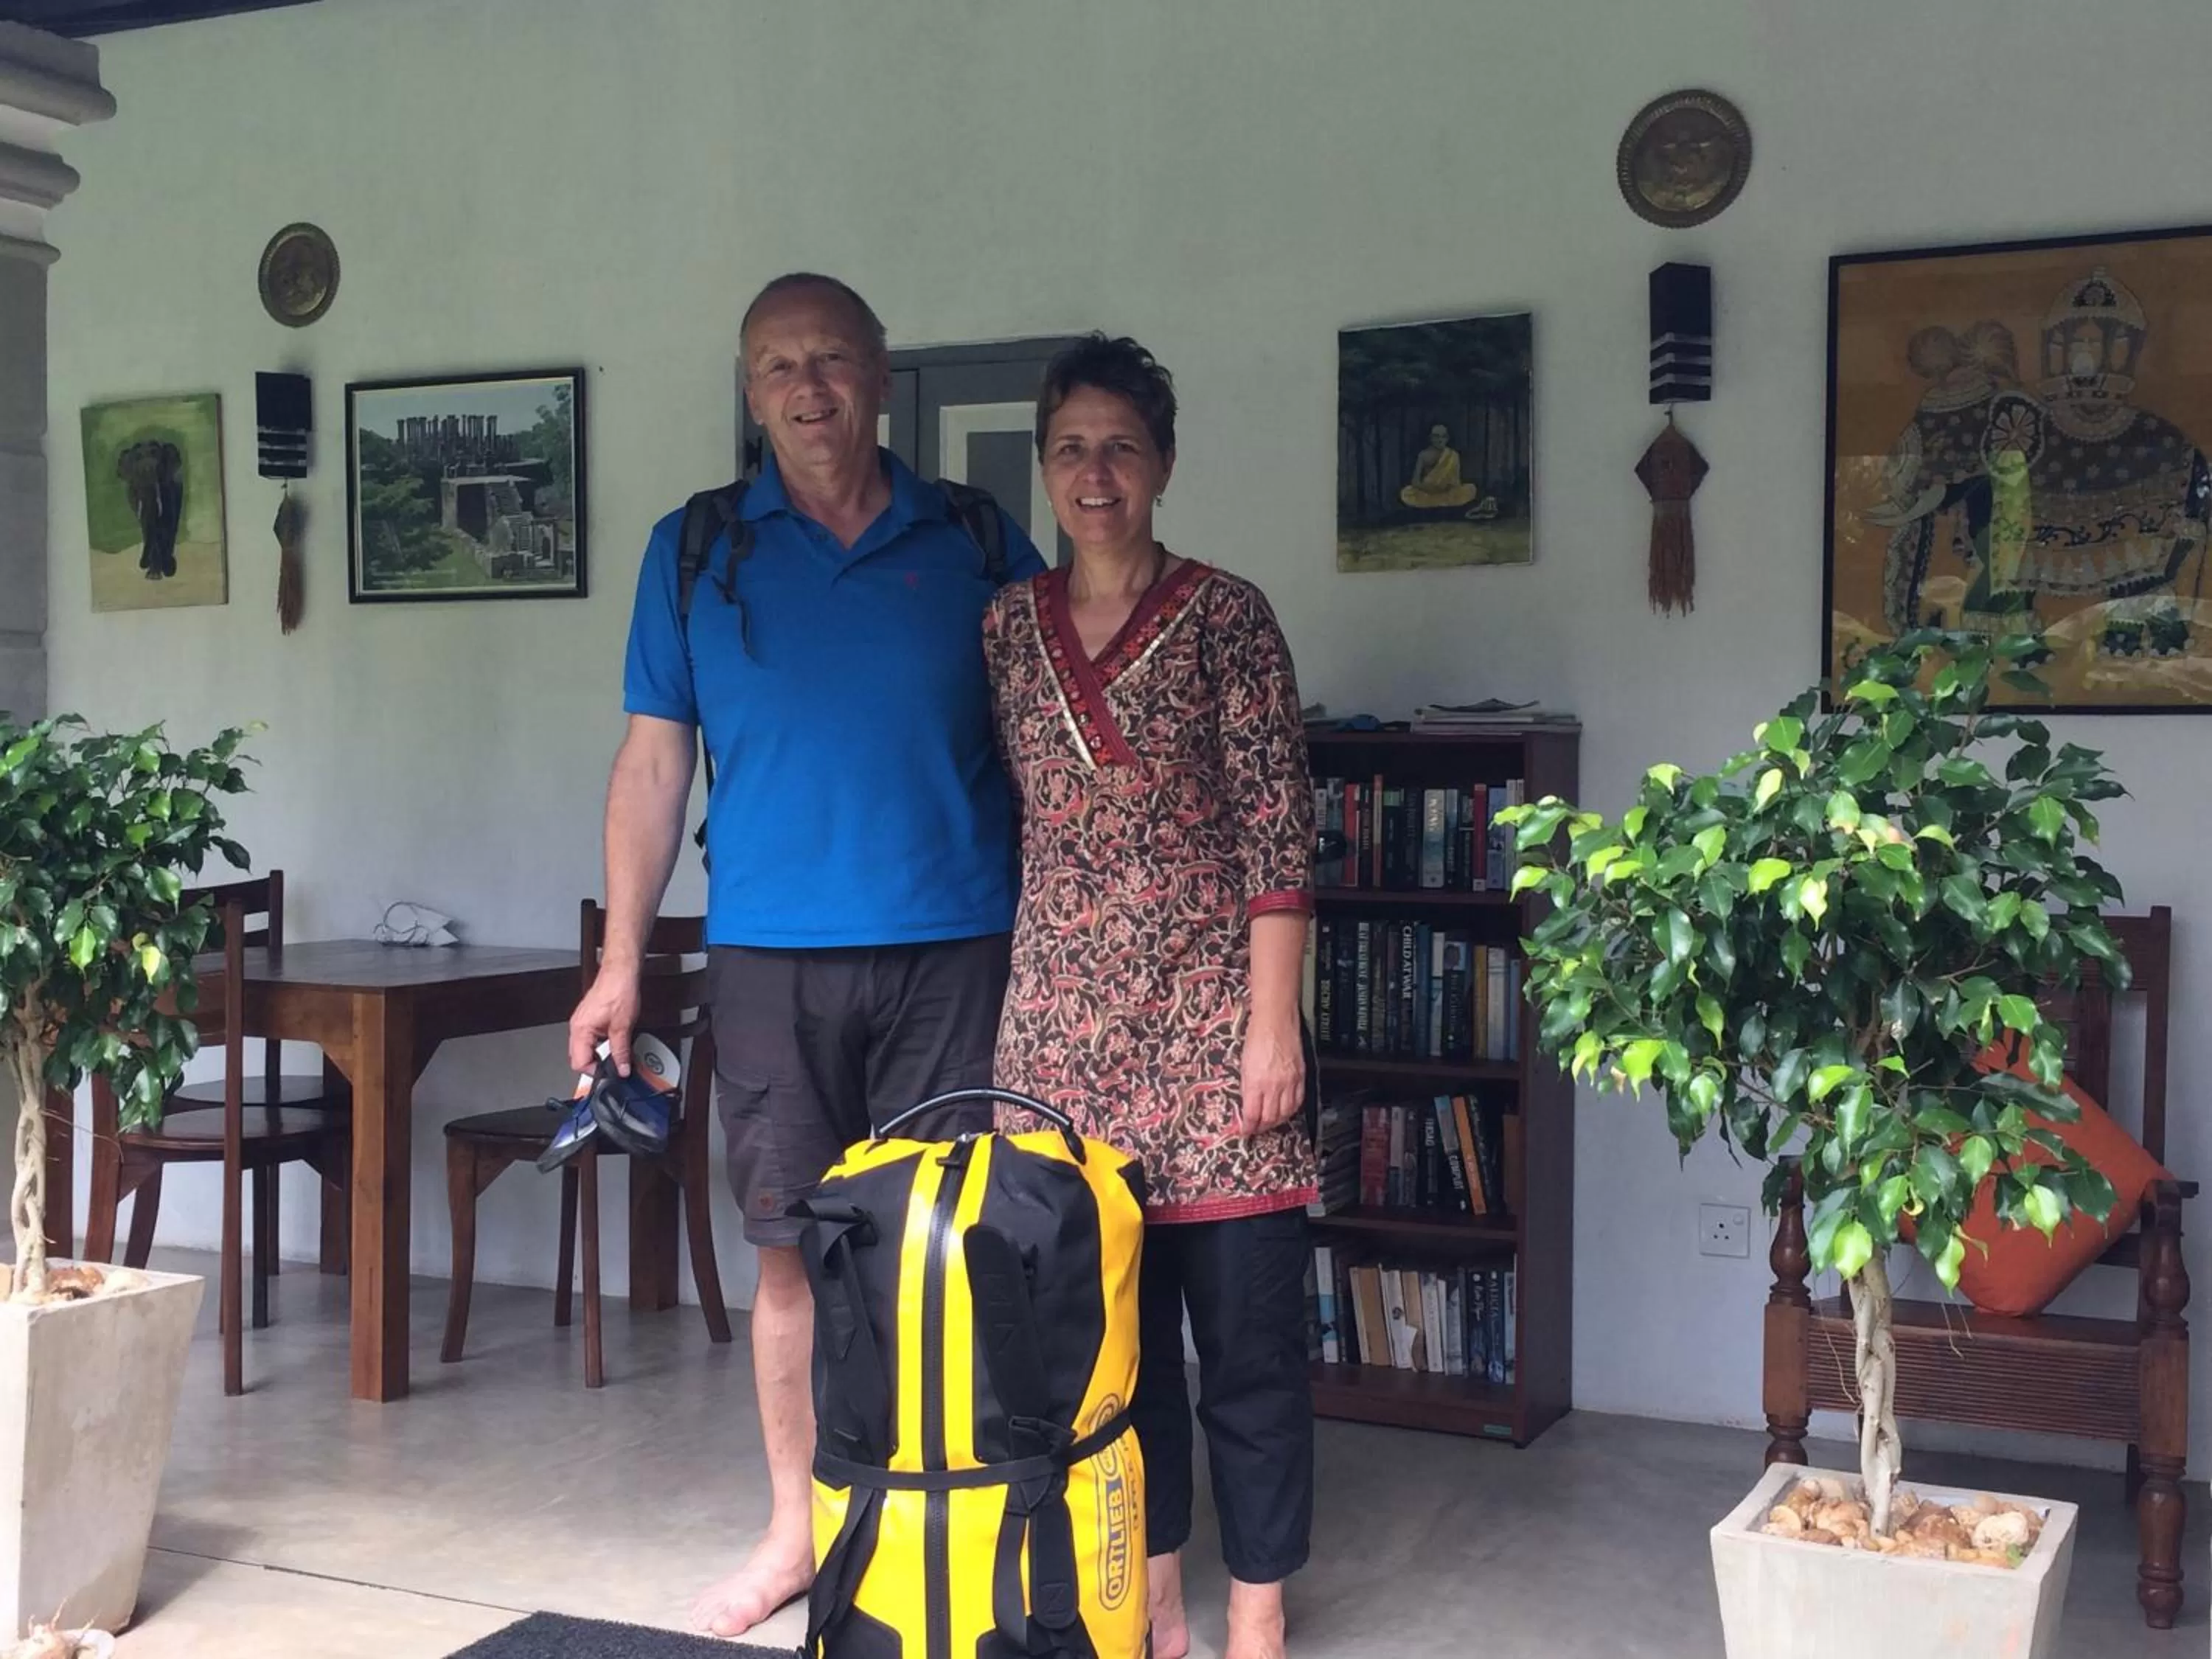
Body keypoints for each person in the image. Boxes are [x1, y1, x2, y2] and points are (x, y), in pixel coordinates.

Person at [568, 271, 1046, 1641]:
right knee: (791, 1254)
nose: (808, 386)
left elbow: (1053, 737)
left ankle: (953, 1510)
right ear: (749, 389)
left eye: (832, 357)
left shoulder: (970, 534)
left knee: (956, 1248)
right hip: (770, 960)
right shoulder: (696, 551)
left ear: (883, 376)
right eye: (779, 365)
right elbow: (653, 770)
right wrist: (620, 965)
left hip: (959, 945)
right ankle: (797, 1525)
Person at [981, 334, 1316, 1659]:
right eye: (1071, 447)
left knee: (1246, 1347)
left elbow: (1279, 836)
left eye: (1121, 444)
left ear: (1164, 462)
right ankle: (1155, 1588)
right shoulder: (1007, 627)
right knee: (1106, 1347)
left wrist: (1272, 1026)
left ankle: (1259, 1608)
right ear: (1044, 466)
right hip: (1060, 1035)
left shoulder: (1229, 616)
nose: (1095, 471)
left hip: (1213, 1028)